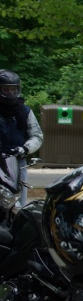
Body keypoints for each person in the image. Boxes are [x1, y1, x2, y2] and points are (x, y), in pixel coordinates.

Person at [0, 69, 42, 206]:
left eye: (13, 89)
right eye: (6, 90)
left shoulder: (25, 111)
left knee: (19, 205)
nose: (10, 93)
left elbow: (37, 135)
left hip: (18, 163)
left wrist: (25, 148)